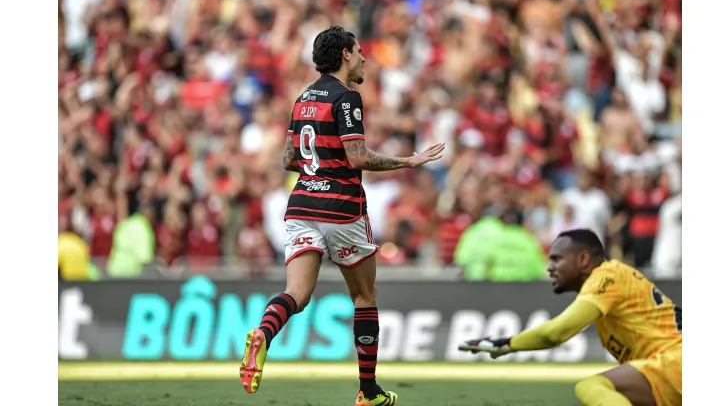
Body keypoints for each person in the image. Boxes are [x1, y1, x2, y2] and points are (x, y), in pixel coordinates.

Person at [239, 26, 445, 406]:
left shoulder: (303, 98)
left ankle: (264, 335)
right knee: (365, 297)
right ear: (345, 55)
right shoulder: (347, 97)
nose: (365, 58)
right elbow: (358, 157)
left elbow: (288, 159)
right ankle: (368, 393)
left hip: (301, 204)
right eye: (360, 51)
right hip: (341, 207)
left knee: (296, 294)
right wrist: (409, 161)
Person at [458, 229, 681, 406]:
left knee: (593, 386)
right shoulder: (612, 289)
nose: (549, 268)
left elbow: (556, 333)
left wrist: (507, 344)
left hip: (676, 360)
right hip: (670, 368)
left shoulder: (607, 275)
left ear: (584, 259)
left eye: (556, 259)